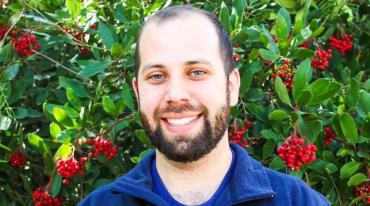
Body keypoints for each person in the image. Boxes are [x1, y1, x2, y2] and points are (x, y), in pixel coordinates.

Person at [79, 5, 330, 206]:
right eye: (156, 76)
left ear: (231, 87)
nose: (175, 95)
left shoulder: (298, 201)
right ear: (137, 92)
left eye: (197, 72)